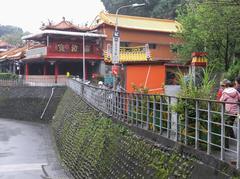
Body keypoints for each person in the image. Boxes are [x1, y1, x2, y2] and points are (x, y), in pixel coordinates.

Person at [220, 80, 240, 148]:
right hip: (235, 112)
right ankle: (233, 139)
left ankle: (226, 146)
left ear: (225, 86)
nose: (221, 87)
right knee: (229, 126)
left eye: (222, 86)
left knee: (226, 127)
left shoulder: (225, 93)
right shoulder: (235, 91)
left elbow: (221, 101)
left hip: (228, 112)